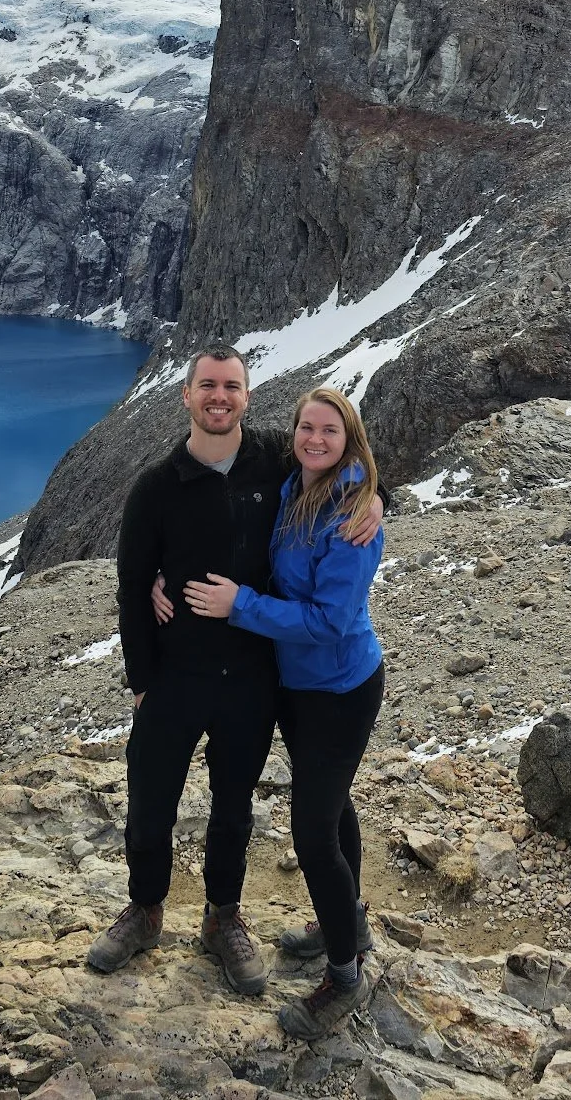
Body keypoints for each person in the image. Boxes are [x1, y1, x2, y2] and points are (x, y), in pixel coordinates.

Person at [85, 347, 382, 996]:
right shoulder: (156, 488)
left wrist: (370, 495)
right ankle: (144, 910)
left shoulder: (274, 459)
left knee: (233, 806)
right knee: (149, 804)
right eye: (208, 387)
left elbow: (336, 455)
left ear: (248, 397)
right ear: (186, 395)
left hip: (251, 675)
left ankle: (223, 920)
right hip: (175, 675)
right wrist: (141, 681)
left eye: (233, 387)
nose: (220, 398)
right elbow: (133, 586)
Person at [184, 386, 385, 1041]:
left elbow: (328, 623)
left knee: (313, 833)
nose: (315, 439)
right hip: (301, 687)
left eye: (329, 431)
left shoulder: (354, 514)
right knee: (335, 808)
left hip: (341, 688)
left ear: (348, 440)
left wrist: (240, 605)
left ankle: (345, 978)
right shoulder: (295, 478)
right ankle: (347, 925)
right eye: (307, 428)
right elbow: (211, 445)